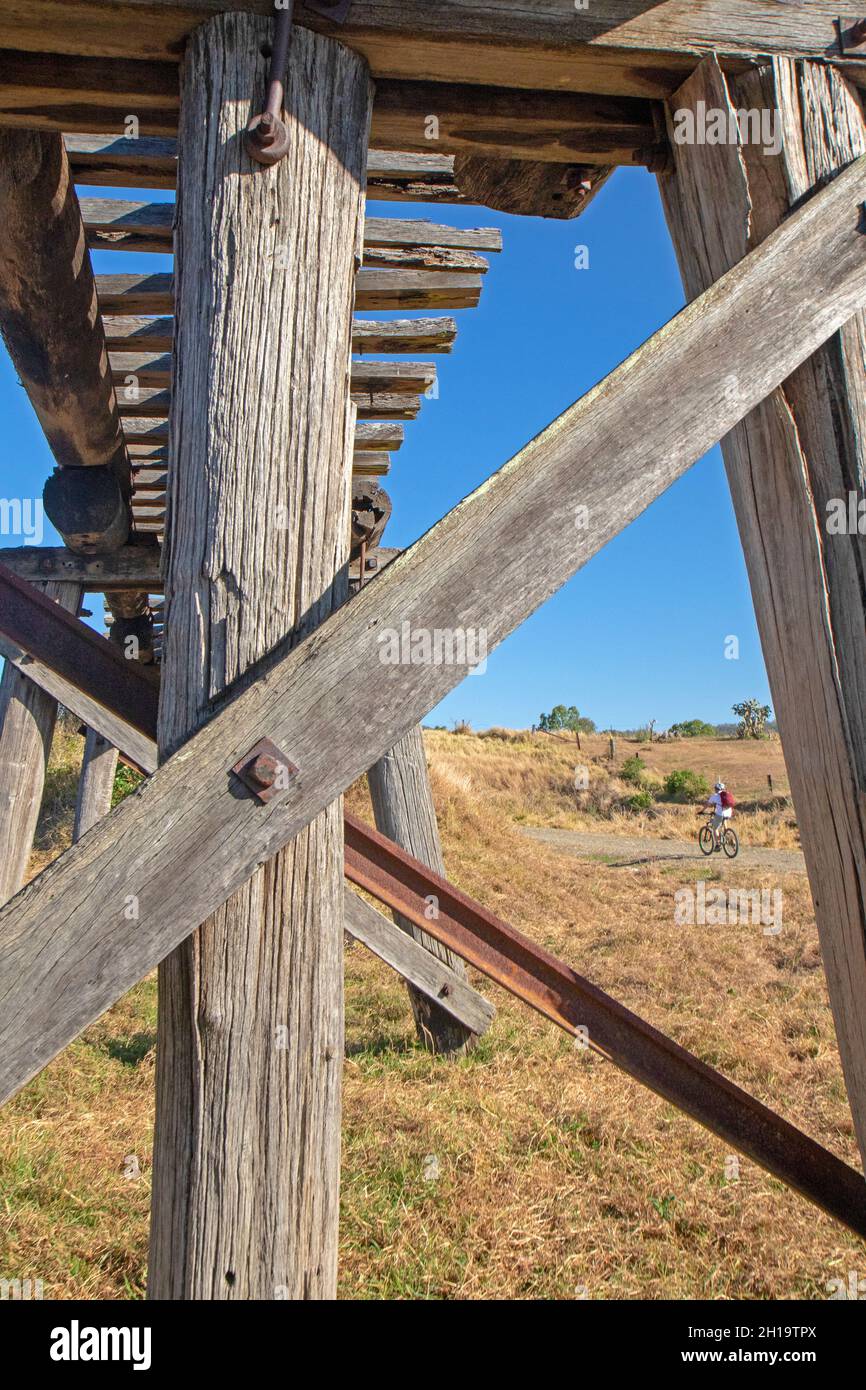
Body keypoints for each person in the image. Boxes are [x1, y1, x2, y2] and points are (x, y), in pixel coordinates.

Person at [700, 781, 734, 850]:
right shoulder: (726, 794)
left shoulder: (715, 796)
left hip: (721, 814)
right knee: (724, 824)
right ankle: (729, 837)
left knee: (715, 828)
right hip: (728, 813)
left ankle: (718, 845)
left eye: (715, 789)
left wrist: (702, 811)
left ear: (716, 789)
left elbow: (707, 804)